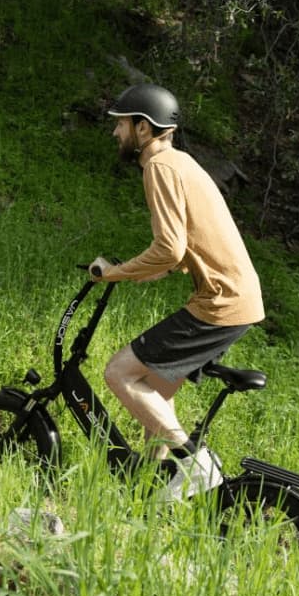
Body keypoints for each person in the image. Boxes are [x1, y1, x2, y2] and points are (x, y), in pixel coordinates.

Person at [89, 83, 265, 501]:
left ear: (144, 129)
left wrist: (114, 273)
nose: (115, 133)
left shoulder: (160, 169)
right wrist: (162, 269)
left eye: (121, 125)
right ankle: (149, 490)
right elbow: (188, 243)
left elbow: (169, 245)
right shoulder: (181, 162)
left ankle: (193, 464)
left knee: (118, 373)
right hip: (237, 299)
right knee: (156, 391)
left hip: (220, 303)